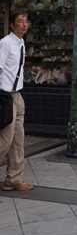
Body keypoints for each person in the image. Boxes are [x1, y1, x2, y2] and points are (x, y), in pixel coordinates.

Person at [0, 10, 33, 191]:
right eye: (20, 21)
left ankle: (13, 178)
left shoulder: (21, 44)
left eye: (26, 21)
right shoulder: (5, 44)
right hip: (5, 95)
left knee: (18, 140)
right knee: (5, 140)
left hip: (17, 95)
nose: (24, 24)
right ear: (12, 25)